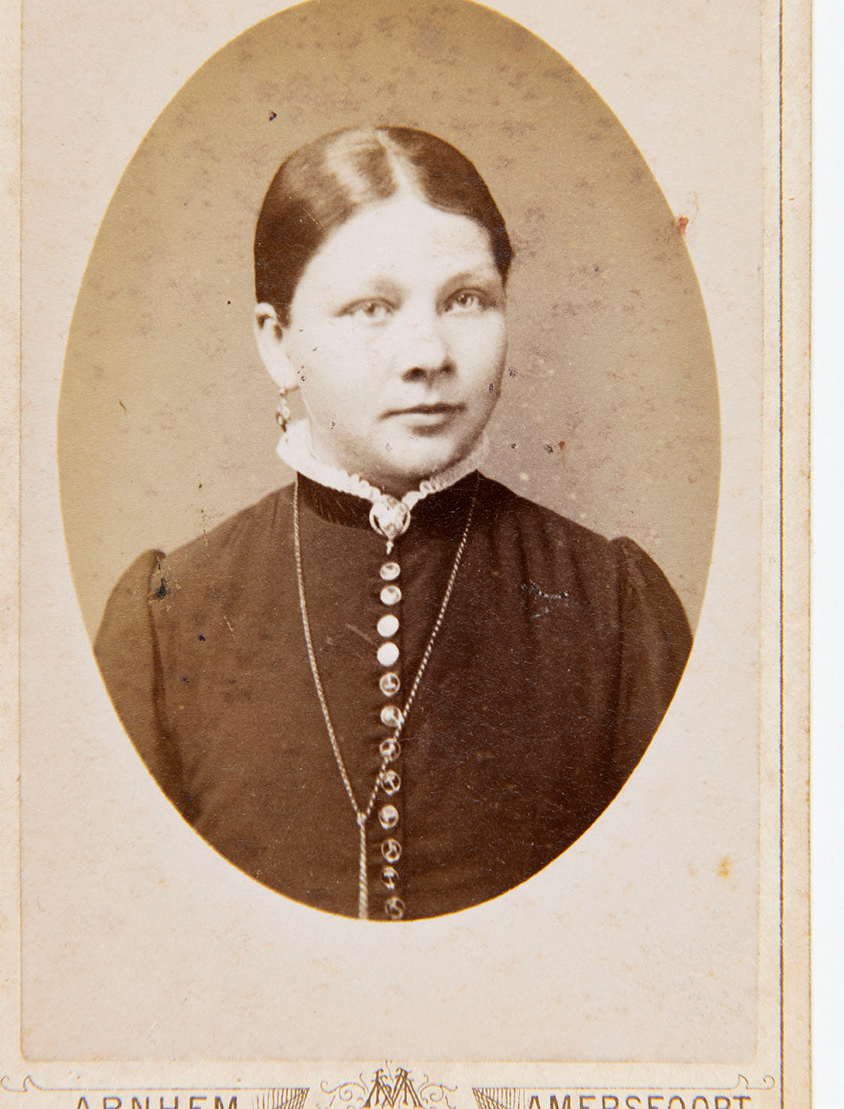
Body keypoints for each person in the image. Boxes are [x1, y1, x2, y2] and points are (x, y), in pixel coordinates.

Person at [94, 126, 692, 923]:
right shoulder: (167, 621)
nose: (427, 355)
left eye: (465, 300)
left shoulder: (614, 609)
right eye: (371, 307)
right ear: (278, 345)